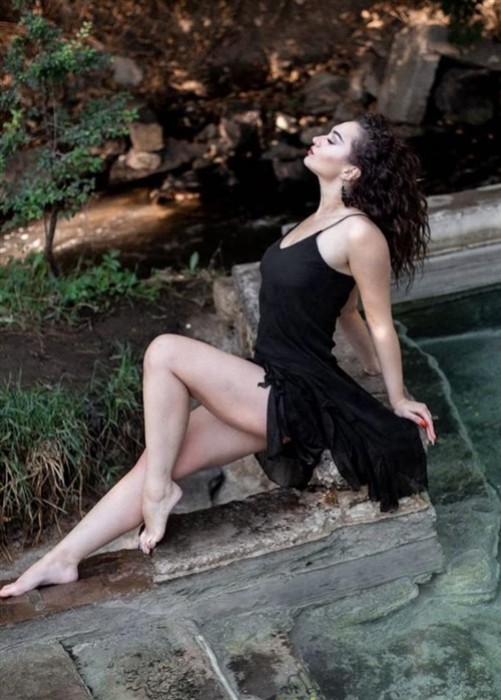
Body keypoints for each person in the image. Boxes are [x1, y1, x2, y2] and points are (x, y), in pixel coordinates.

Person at [0, 113, 435, 599]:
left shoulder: (360, 233)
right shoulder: (314, 221)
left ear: (351, 170)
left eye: (333, 139)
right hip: (267, 381)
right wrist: (369, 366)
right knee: (158, 457)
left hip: (298, 396)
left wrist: (397, 396)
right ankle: (61, 560)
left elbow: (380, 321)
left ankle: (159, 493)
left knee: (165, 351)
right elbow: (346, 311)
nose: (317, 138)